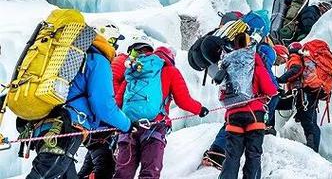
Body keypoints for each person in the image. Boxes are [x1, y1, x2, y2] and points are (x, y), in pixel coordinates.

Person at [25, 33, 132, 179]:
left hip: (44, 124)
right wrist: (127, 125)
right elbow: (104, 106)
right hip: (66, 126)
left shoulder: (67, 58)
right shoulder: (97, 60)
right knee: (44, 175)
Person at [113, 46, 209, 179]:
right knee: (149, 173)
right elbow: (183, 100)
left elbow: (117, 101)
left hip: (129, 127)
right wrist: (200, 109)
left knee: (122, 174)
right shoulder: (170, 71)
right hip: (154, 127)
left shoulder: (135, 72)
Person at [218, 33, 278, 179]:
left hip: (233, 116)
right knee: (253, 155)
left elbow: (222, 94)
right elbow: (270, 89)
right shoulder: (255, 63)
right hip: (254, 116)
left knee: (232, 156)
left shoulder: (229, 65)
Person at [77, 23, 126, 179]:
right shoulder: (99, 61)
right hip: (97, 125)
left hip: (87, 124)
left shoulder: (84, 57)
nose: (116, 46)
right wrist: (125, 124)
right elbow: (103, 102)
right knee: (105, 168)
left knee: (91, 165)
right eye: (114, 41)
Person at [277, 42, 322, 152]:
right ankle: (314, 147)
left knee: (307, 121)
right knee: (310, 120)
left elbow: (296, 69)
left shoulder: (294, 57)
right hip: (311, 93)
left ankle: (312, 149)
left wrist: (279, 80)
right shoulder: (305, 59)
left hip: (302, 93)